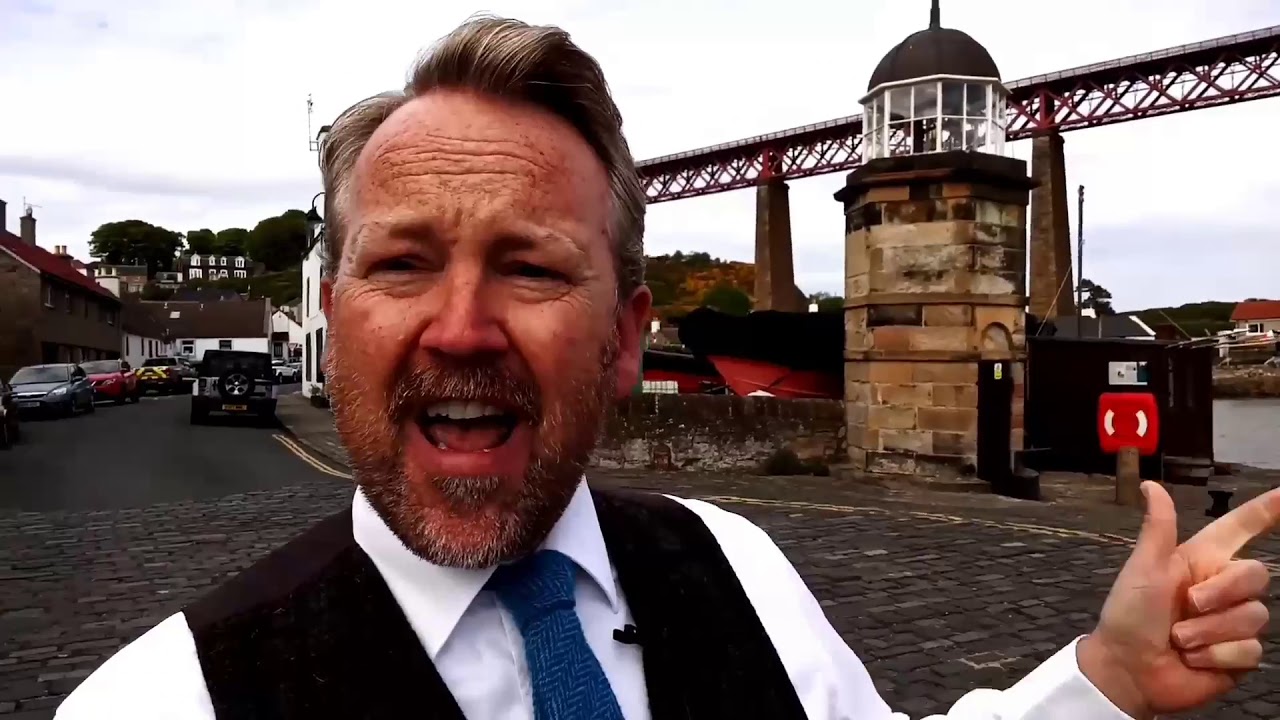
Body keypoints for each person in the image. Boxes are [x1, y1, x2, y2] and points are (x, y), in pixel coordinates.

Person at [57, 16, 1275, 720]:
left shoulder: (737, 567)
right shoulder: (159, 702)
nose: (463, 325)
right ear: (332, 312)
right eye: (403, 265)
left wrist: (1101, 678)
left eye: (531, 268)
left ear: (631, 331)